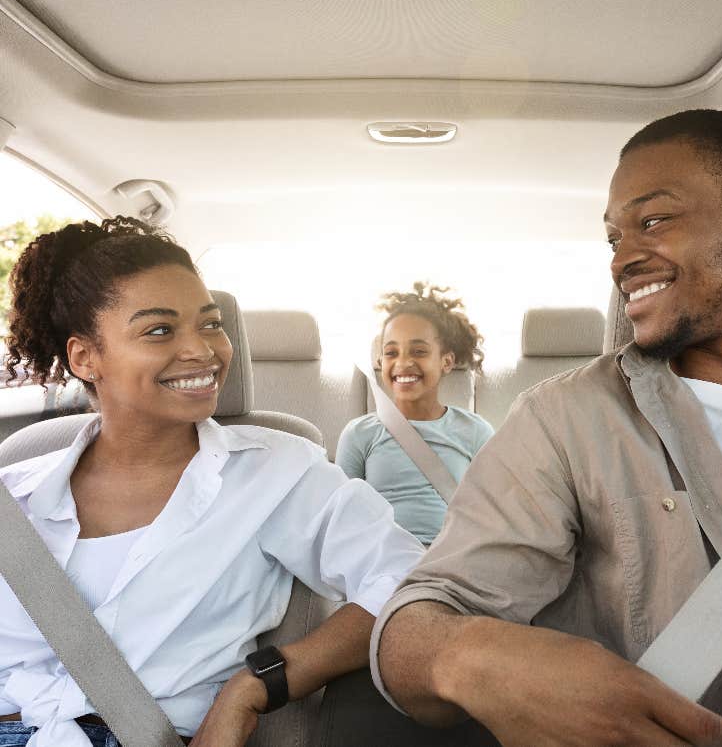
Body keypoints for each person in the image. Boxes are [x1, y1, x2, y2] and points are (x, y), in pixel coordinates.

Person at [370, 110, 722, 747]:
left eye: (653, 221)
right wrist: (475, 657)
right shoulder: (564, 421)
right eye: (613, 238)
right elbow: (413, 624)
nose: (623, 258)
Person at [0, 217, 425, 747]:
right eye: (160, 330)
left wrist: (256, 684)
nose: (202, 350)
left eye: (210, 323)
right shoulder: (13, 490)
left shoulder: (276, 471)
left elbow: (408, 577)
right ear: (85, 357)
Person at [335, 283, 494, 544]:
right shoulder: (360, 434)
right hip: (381, 560)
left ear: (447, 361)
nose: (403, 363)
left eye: (419, 351)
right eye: (391, 353)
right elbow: (341, 518)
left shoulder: (476, 432)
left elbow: (494, 516)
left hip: (452, 562)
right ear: (380, 363)